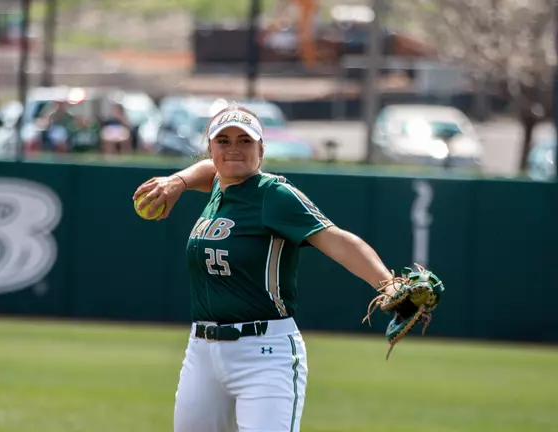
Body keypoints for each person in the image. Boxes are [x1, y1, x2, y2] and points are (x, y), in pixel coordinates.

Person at [132, 103, 408, 432]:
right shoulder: (221, 187)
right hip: (202, 352)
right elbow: (211, 170)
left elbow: (337, 240)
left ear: (261, 150)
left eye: (245, 141)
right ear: (210, 148)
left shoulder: (274, 196)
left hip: (264, 354)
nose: (234, 148)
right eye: (223, 140)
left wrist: (387, 283)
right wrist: (178, 181)